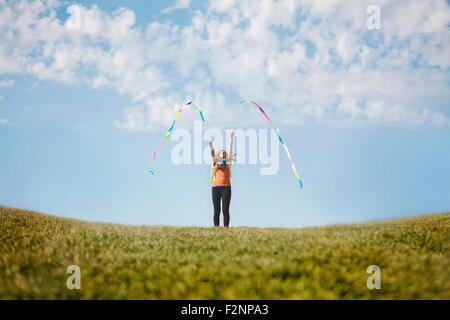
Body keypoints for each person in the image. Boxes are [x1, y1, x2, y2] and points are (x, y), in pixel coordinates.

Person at [209, 131, 235, 227]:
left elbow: (230, 150)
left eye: (224, 153)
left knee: (225, 209)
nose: (223, 153)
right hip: (215, 188)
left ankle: (226, 228)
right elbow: (212, 154)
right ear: (218, 155)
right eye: (221, 153)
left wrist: (231, 138)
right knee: (216, 210)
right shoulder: (215, 163)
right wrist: (212, 148)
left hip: (226, 188)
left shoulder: (228, 163)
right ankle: (216, 227)